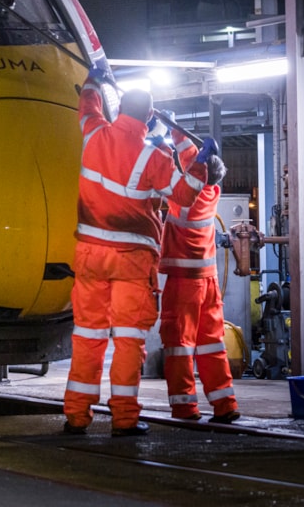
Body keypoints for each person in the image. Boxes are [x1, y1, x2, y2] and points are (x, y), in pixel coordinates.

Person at [63, 65, 218, 437]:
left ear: (118, 111)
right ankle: (124, 419)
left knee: (88, 337)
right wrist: (202, 164)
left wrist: (94, 80)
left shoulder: (94, 133)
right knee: (128, 341)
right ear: (149, 117)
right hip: (131, 262)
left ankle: (76, 416)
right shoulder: (153, 158)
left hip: (90, 255)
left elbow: (87, 105)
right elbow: (182, 195)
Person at [159, 126, 240, 424]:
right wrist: (178, 133)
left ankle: (184, 408)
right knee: (212, 345)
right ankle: (225, 405)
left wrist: (160, 141)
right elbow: (195, 167)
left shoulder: (184, 201)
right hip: (209, 286)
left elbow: (183, 177)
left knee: (179, 346)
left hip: (184, 286)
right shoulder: (213, 192)